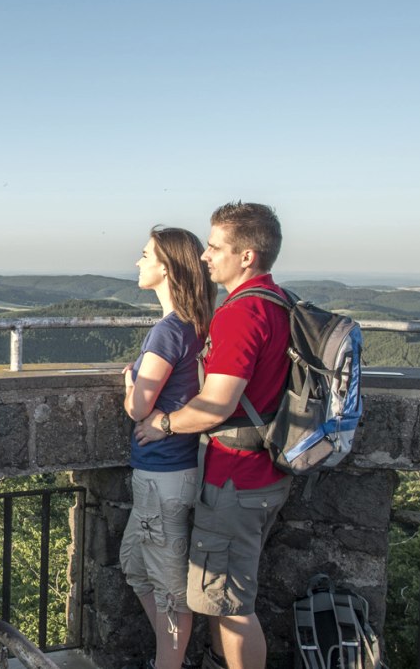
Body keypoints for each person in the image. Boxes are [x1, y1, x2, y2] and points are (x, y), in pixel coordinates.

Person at [133, 202, 290, 669]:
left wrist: (161, 423)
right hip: (265, 472)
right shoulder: (279, 302)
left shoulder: (241, 314)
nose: (206, 256)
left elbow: (217, 403)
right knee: (225, 601)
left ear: (246, 256)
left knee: (233, 607)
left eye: (216, 246)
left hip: (236, 479)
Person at [119, 225, 216, 669]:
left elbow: (139, 408)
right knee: (135, 567)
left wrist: (128, 383)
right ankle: (170, 656)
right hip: (168, 475)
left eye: (144, 255)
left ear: (166, 268)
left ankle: (169, 664)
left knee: (170, 592)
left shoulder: (168, 330)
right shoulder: (197, 324)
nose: (137, 262)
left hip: (163, 477)